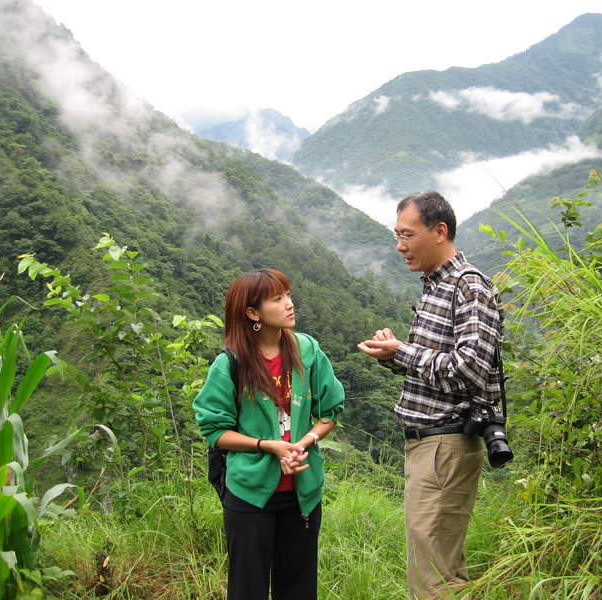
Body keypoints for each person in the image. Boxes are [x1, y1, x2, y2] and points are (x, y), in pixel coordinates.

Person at [357, 191, 505, 600]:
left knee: (434, 579)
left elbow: (469, 370)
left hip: (446, 444)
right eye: (397, 235)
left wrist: (403, 351)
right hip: (431, 445)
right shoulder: (436, 286)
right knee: (438, 567)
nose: (400, 246)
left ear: (440, 231)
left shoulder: (468, 286)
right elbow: (437, 370)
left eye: (407, 235)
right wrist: (393, 354)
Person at [194, 268, 345, 600]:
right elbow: (215, 430)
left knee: (298, 589)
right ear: (253, 313)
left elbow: (330, 411)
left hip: (302, 493)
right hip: (250, 494)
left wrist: (303, 443)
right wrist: (268, 446)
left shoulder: (306, 350)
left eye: (288, 295)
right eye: (277, 299)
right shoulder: (230, 363)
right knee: (248, 589)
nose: (289, 303)